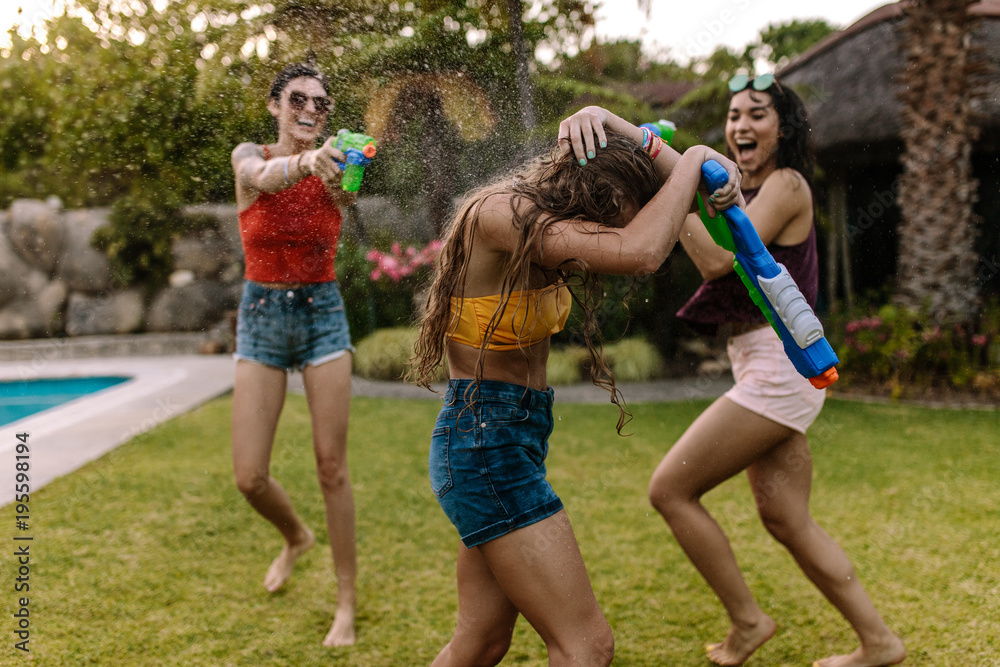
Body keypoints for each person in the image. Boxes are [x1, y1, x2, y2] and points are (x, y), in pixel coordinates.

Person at [410, 105, 741, 666]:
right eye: (618, 216)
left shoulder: (544, 218)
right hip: (485, 446)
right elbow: (640, 252)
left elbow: (666, 224)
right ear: (598, 191)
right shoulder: (503, 214)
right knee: (587, 647)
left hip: (507, 440)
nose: (616, 230)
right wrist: (700, 157)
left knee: (481, 642)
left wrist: (612, 120)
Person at [646, 74, 907, 667]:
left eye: (757, 114)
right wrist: (686, 188)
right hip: (761, 365)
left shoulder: (786, 185)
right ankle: (881, 643)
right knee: (787, 519)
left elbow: (716, 263)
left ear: (783, 128)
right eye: (734, 115)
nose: (741, 125)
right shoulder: (736, 193)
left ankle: (748, 622)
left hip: (780, 367)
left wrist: (673, 180)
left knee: (671, 490)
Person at [230, 62, 357, 647]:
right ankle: (296, 537)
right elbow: (262, 175)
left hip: (322, 316)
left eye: (321, 103)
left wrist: (344, 165)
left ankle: (346, 602)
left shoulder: (334, 168)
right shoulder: (247, 158)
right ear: (275, 105)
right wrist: (306, 160)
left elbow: (341, 194)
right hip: (261, 317)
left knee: (331, 467)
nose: (311, 109)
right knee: (250, 477)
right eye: (299, 99)